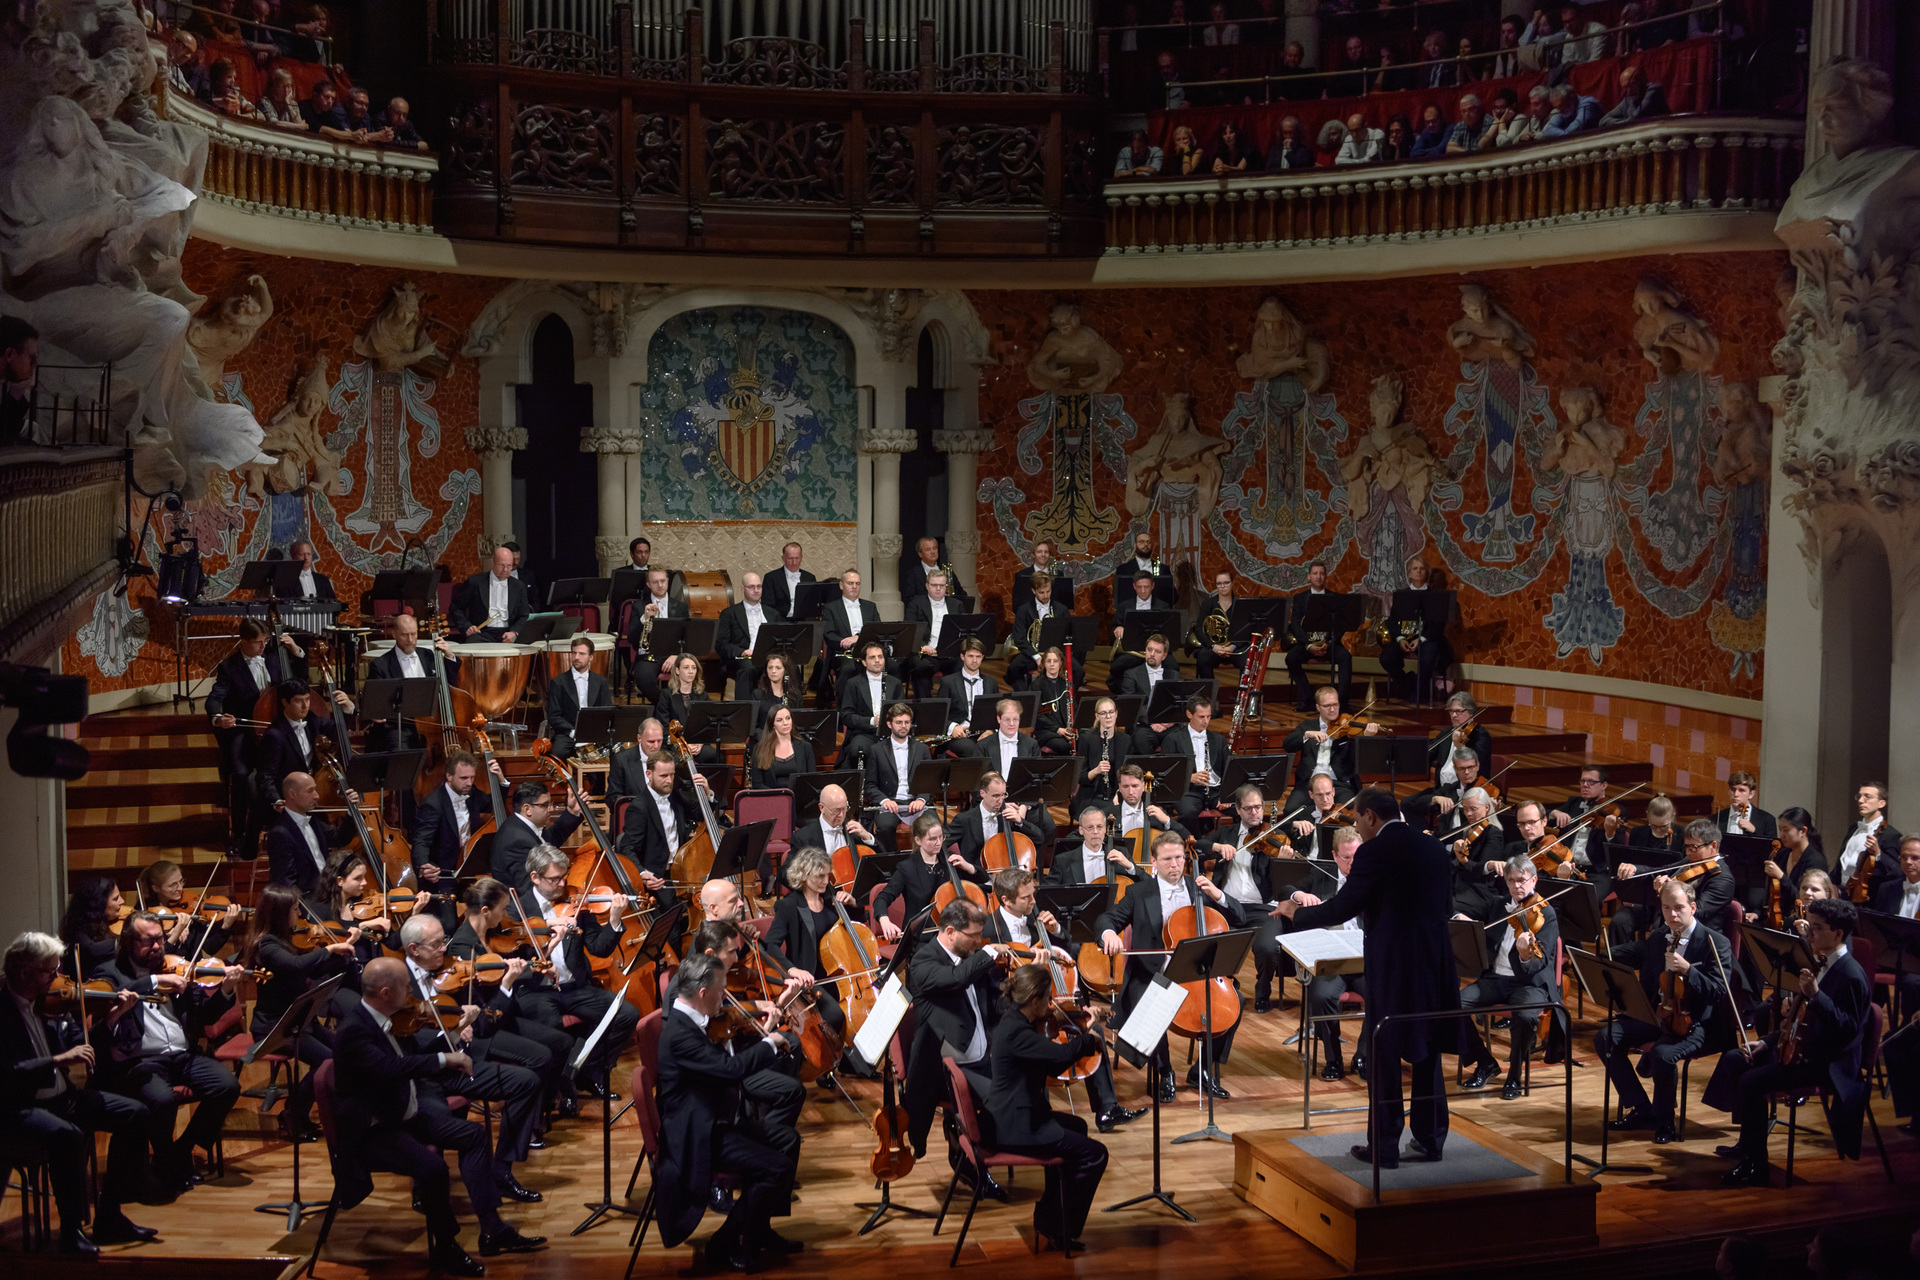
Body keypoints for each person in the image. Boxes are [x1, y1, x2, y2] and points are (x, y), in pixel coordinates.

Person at [1274, 788, 1455, 1165]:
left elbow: (1344, 906)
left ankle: (1385, 1148)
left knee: (1384, 1052)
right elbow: (1446, 907)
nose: (1356, 825)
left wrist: (1296, 912)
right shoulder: (1434, 847)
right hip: (1434, 964)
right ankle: (1432, 1139)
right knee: (1428, 1051)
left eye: (1357, 819)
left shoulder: (1375, 851)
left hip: (1393, 966)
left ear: (1371, 817)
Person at [335, 957, 545, 1272]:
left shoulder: (390, 1016)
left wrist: (453, 1035)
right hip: (373, 1131)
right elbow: (388, 1068)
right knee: (433, 1168)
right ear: (385, 991)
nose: (412, 993)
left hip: (400, 1114)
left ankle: (493, 1230)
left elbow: (407, 1058)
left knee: (473, 1135)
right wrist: (445, 1060)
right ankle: (446, 1247)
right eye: (406, 987)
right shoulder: (355, 1030)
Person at [0, 932, 154, 1253]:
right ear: (25, 971)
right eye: (50, 971)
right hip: (18, 1108)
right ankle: (71, 1234)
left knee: (135, 1113)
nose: (57, 978)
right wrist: (58, 1060)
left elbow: (79, 1046)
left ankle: (109, 1215)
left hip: (60, 1098)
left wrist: (111, 1018)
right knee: (68, 1137)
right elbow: (9, 1073)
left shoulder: (52, 1002)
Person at [1705, 898, 1871, 1187]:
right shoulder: (1821, 963)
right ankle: (1748, 1143)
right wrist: (1768, 1044)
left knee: (1752, 1082)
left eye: (1817, 928)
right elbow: (1798, 1021)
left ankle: (1757, 1166)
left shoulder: (1850, 974)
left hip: (1828, 1062)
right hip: (1803, 1049)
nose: (1810, 934)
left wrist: (1818, 996)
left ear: (1838, 934)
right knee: (1736, 1059)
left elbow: (1849, 1030)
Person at [655, 951, 800, 1270]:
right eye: (722, 990)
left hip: (714, 1115)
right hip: (699, 1133)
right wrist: (769, 1044)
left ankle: (758, 1231)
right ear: (703, 993)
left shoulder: (692, 1018)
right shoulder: (680, 1034)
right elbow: (730, 1070)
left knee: (789, 1140)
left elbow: (722, 1055)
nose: (727, 997)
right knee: (775, 1168)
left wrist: (754, 1027)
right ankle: (724, 1242)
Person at [394, 914, 547, 1205]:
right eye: (436, 944)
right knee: (434, 1118)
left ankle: (502, 1170)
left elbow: (486, 1026)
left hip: (460, 1065)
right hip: (422, 1074)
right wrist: (450, 1030)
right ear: (413, 949)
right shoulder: (398, 981)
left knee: (527, 1081)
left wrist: (504, 987)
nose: (445, 950)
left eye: (445, 941)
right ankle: (425, 1183)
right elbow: (407, 1041)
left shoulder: (455, 973)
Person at [93, 912, 243, 1194]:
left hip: (182, 1056)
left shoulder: (175, 967)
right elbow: (113, 998)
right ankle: (164, 1162)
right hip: (141, 1062)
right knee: (162, 1100)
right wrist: (152, 982)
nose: (157, 946)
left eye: (160, 939)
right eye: (147, 941)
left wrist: (226, 989)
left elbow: (206, 1015)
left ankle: (179, 1151)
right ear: (128, 943)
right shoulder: (110, 973)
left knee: (227, 1086)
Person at [1096, 832, 1245, 1099]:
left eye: (1179, 858)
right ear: (1153, 861)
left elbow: (1240, 915)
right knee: (1150, 1001)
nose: (1174, 864)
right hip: (1156, 972)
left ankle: (1202, 1069)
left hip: (1198, 972)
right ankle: (1165, 1071)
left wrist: (1219, 895)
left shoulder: (1199, 887)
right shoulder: (1139, 893)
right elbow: (1108, 919)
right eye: (1167, 859)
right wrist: (1108, 933)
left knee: (1237, 1001)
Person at [1594, 878, 1736, 1144]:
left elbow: (1718, 992)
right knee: (1606, 1037)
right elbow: (1646, 970)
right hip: (1660, 1014)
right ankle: (1641, 1108)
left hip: (1698, 1023)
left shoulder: (1715, 943)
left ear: (1693, 908)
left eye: (1679, 908)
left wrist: (1689, 971)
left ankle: (1664, 1121)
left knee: (1663, 1054)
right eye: (1666, 907)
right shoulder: (1660, 936)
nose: (1672, 914)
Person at [987, 962, 1111, 1251]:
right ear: (1035, 1001)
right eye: (1048, 998)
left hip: (1013, 1113)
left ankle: (1050, 1216)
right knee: (1095, 1155)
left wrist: (1075, 1030)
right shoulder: (1018, 1033)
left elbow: (1049, 1060)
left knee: (1078, 1127)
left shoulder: (1014, 1020)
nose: (1052, 1002)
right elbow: (1057, 1058)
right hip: (1017, 1127)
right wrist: (1088, 1038)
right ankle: (1059, 1226)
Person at [443, 878, 583, 1119]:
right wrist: (511, 979)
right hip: (483, 1027)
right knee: (541, 1055)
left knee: (562, 1042)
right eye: (503, 908)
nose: (507, 914)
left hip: (504, 1014)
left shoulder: (493, 934)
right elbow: (490, 991)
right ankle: (526, 1121)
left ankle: (544, 1103)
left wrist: (545, 955)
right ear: (486, 911)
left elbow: (522, 967)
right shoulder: (463, 948)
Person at [510, 846, 641, 1099]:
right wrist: (549, 934)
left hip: (575, 988)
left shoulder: (577, 903)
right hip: (536, 991)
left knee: (627, 1014)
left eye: (564, 877)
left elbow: (599, 948)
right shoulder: (517, 910)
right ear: (535, 877)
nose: (562, 884)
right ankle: (563, 1086)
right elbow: (520, 962)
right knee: (553, 1030)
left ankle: (588, 1072)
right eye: (554, 879)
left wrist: (614, 919)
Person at [903, 899, 1008, 1192]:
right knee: (998, 1098)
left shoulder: (970, 956)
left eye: (980, 936)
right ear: (950, 931)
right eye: (973, 935)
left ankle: (1002, 1148)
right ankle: (974, 1163)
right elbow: (956, 978)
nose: (979, 940)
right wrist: (987, 952)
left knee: (1023, 1081)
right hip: (949, 1068)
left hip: (981, 1057)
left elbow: (993, 1001)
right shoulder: (925, 960)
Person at [243, 884, 361, 1140]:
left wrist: (344, 952)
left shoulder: (286, 938)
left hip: (301, 1021)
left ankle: (308, 1113)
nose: (301, 914)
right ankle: (293, 1114)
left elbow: (311, 970)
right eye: (296, 909)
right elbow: (296, 966)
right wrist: (328, 949)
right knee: (326, 1061)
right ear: (279, 912)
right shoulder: (266, 946)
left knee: (341, 1052)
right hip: (276, 1027)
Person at [1454, 858, 1563, 1099]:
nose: (1517, 886)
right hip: (1495, 979)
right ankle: (1485, 1062)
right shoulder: (1498, 905)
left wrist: (1526, 955)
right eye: (1511, 881)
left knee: (1524, 1016)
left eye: (1522, 880)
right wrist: (1461, 918)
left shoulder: (1546, 913)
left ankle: (1514, 1076)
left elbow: (1540, 963)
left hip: (1529, 983)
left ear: (1534, 880)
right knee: (1455, 1006)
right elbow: (1459, 909)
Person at [207, 616, 306, 854]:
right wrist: (218, 717)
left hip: (276, 730)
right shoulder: (230, 667)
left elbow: (298, 683)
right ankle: (239, 834)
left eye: (266, 640)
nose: (263, 646)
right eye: (258, 642)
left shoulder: (274, 657)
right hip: (246, 732)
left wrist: (297, 652)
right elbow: (215, 697)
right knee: (241, 775)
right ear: (243, 642)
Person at [1199, 786, 1288, 1012]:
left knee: (1268, 948)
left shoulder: (1273, 836)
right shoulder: (1227, 834)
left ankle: (1262, 991)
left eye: (1258, 807)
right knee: (1215, 945)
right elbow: (1197, 846)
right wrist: (1217, 847)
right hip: (1227, 906)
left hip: (1263, 909)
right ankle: (1227, 988)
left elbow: (1284, 881)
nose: (1255, 813)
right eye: (1248, 808)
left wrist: (1284, 862)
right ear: (1238, 810)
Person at [762, 850, 851, 1039]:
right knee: (835, 1014)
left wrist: (852, 904)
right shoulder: (789, 906)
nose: (826, 881)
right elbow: (771, 944)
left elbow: (851, 929)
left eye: (828, 875)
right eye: (819, 876)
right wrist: (793, 970)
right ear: (803, 874)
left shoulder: (830, 898)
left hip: (838, 973)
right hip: (812, 979)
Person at [1612, 819, 1734, 946]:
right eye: (1686, 847)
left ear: (1713, 846)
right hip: (1666, 923)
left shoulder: (1722, 879)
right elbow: (1660, 871)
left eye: (1694, 847)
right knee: (1619, 930)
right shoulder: (1691, 860)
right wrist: (1634, 869)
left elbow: (1697, 912)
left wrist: (1670, 890)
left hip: (1692, 941)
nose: (1688, 852)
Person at [873, 812, 982, 942]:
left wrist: (969, 867)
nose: (938, 843)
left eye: (941, 837)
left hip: (952, 933)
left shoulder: (949, 860)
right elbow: (882, 898)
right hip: (920, 937)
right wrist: (884, 919)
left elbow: (982, 879)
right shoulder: (907, 868)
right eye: (932, 839)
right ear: (918, 840)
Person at [612, 754, 698, 909]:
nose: (669, 781)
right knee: (672, 925)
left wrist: (706, 792)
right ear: (649, 774)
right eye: (663, 776)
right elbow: (627, 847)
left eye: (672, 775)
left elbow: (699, 813)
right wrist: (642, 874)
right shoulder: (639, 807)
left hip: (682, 871)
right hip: (658, 878)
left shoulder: (674, 796)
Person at [254, 676, 354, 808]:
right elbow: (266, 775)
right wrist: (277, 800)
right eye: (298, 701)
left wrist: (347, 708)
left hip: (314, 793)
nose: (305, 706)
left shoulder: (311, 719)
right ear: (285, 702)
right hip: (291, 798)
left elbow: (337, 729)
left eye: (307, 699)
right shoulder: (275, 735)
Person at [363, 613, 458, 751]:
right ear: (394, 634)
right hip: (401, 726)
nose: (410, 639)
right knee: (400, 750)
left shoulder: (429, 656)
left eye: (414, 634)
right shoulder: (380, 665)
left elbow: (449, 684)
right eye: (404, 635)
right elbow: (375, 702)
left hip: (433, 723)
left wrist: (449, 655)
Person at [265, 769, 359, 897]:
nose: (317, 796)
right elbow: (286, 883)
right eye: (310, 791)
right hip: (311, 901)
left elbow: (339, 838)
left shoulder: (313, 820)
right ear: (293, 794)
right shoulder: (280, 833)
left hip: (330, 892)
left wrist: (351, 810)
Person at [411, 750, 495, 889]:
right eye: (463, 778)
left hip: (469, 872)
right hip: (444, 876)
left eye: (472, 777)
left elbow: (492, 803)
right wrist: (423, 867)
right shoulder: (433, 804)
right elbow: (421, 840)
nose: (469, 783)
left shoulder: (471, 792)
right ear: (449, 776)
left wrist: (501, 780)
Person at [1283, 684, 1375, 810]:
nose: (1332, 710)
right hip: (1309, 784)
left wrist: (1366, 738)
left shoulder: (1348, 729)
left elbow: (1359, 759)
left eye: (1335, 705)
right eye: (1327, 706)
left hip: (1339, 785)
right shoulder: (1307, 726)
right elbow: (1287, 744)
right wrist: (1307, 734)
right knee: (1290, 809)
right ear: (1318, 707)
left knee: (1349, 809)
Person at [948, 773, 1048, 874]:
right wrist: (960, 863)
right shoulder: (964, 819)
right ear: (982, 793)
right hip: (978, 879)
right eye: (995, 796)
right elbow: (940, 844)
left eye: (1003, 795)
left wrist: (1020, 822)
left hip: (1008, 876)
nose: (1000, 801)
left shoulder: (1008, 816)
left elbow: (1039, 839)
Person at [1283, 563, 1352, 709]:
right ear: (1309, 577)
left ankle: (1342, 703)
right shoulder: (1300, 598)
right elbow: (1295, 624)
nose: (1318, 576)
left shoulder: (1335, 597)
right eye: (1315, 573)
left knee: (1346, 657)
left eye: (1321, 573)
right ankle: (1307, 699)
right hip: (1307, 644)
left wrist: (1330, 642)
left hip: (1329, 644)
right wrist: (1309, 645)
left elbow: (1341, 624)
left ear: (1326, 576)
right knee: (1291, 658)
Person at [863, 703, 930, 845]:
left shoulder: (922, 749)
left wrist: (921, 800)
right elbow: (870, 785)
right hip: (890, 801)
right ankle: (890, 862)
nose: (903, 726)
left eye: (907, 722)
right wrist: (884, 801)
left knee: (932, 825)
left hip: (915, 801)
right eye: (899, 722)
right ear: (889, 724)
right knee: (885, 826)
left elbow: (929, 782)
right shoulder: (876, 750)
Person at [1163, 693, 1229, 830]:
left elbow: (1228, 770)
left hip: (1216, 790)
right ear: (1189, 714)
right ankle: (1197, 846)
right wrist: (1189, 777)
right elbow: (1166, 773)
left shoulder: (1219, 739)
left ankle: (1230, 844)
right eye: (1201, 717)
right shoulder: (1173, 739)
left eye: (1209, 716)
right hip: (1188, 791)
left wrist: (1227, 796)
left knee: (1245, 806)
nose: (1206, 721)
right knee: (1188, 813)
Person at [544, 636, 611, 761]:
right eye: (574, 653)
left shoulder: (601, 682)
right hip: (567, 734)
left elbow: (607, 711)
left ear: (591, 657)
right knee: (558, 753)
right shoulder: (558, 682)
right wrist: (572, 732)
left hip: (594, 733)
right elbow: (554, 715)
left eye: (581, 654)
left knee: (612, 754)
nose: (576, 657)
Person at [1834, 782, 1901, 902]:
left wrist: (1878, 854)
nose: (1860, 800)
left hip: (1868, 899)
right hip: (1842, 896)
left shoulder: (1891, 835)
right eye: (1859, 796)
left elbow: (1896, 872)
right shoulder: (1853, 829)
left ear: (1882, 803)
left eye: (1867, 797)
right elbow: (1841, 865)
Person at [837, 640, 902, 764]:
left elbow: (902, 710)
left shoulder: (895, 683)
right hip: (863, 733)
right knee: (858, 749)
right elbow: (847, 716)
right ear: (864, 662)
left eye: (880, 657)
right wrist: (872, 721)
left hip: (890, 732)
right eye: (872, 657)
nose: (877, 660)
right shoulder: (853, 684)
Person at [788, 784, 877, 873]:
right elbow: (787, 873)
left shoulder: (854, 831)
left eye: (844, 809)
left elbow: (880, 862)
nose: (841, 815)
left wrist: (867, 837)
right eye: (836, 810)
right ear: (821, 807)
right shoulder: (803, 837)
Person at [451, 546, 530, 642]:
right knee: (472, 641)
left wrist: (514, 632)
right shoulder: (475, 582)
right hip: (482, 633)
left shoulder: (519, 586)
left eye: (509, 566)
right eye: (501, 565)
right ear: (493, 562)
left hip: (508, 632)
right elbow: (455, 607)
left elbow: (523, 614)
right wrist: (467, 626)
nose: (505, 570)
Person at [820, 570, 883, 691]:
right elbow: (829, 634)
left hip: (869, 651)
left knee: (893, 666)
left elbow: (877, 630)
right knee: (848, 668)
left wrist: (858, 638)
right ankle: (845, 708)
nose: (854, 587)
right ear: (841, 585)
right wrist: (845, 642)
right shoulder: (830, 608)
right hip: (844, 653)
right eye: (850, 583)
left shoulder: (871, 606)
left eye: (857, 584)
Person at [903, 570, 961, 699]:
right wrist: (922, 646)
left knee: (964, 665)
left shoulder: (956, 605)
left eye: (942, 585)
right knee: (920, 667)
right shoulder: (915, 604)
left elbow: (962, 632)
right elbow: (910, 630)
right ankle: (925, 705)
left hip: (950, 653)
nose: (938, 589)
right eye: (934, 585)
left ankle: (953, 706)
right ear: (927, 586)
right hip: (926, 653)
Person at [1054, 806, 1145, 887]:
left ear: (1105, 828)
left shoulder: (1121, 854)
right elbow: (1047, 893)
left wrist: (1130, 866)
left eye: (1099, 827)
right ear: (1081, 830)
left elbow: (1147, 884)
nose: (1095, 832)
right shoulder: (1063, 861)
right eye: (1090, 827)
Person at [1118, 633, 1180, 752]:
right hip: (1143, 725)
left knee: (1177, 739)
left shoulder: (1173, 675)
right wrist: (1154, 720)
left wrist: (1167, 722)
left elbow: (1177, 703)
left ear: (1164, 655)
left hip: (1168, 725)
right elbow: (1131, 705)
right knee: (1142, 740)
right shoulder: (1131, 674)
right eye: (1149, 650)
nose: (1152, 654)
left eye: (1157, 651)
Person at [714, 571, 770, 698]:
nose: (756, 590)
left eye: (759, 586)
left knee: (790, 667)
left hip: (767, 657)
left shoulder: (772, 614)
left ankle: (784, 711)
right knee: (748, 668)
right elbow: (721, 644)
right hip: (741, 658)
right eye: (751, 587)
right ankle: (745, 711)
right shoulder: (729, 613)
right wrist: (742, 651)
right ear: (742, 589)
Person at [59, 878, 127, 979]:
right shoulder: (77, 927)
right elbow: (91, 950)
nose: (122, 901)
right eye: (115, 899)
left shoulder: (104, 923)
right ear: (99, 903)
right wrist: (126, 939)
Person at [1008, 576, 1068, 690]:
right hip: (1032, 653)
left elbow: (1066, 635)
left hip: (1056, 653)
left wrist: (1056, 656)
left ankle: (1063, 696)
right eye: (1041, 592)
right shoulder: (1023, 610)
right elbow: (1019, 638)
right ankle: (1025, 698)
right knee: (1013, 669)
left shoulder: (1061, 609)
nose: (1046, 596)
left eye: (1048, 591)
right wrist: (1036, 657)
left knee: (1078, 671)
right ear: (1033, 591)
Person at [1072, 697, 1127, 814]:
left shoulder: (1125, 740)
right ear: (1097, 716)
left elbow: (1128, 773)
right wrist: (1096, 770)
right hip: (1091, 796)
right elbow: (1080, 778)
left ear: (1116, 714)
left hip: (1116, 794)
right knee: (1113, 811)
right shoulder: (1086, 739)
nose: (1108, 716)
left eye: (1111, 712)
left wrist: (1120, 792)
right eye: (1103, 713)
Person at [748, 705, 816, 790]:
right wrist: (778, 796)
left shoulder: (805, 747)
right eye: (779, 720)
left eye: (788, 718)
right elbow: (757, 784)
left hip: (799, 798)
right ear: (772, 724)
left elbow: (812, 780)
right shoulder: (760, 749)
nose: (785, 723)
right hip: (772, 799)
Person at [1110, 531, 1176, 608]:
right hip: (1131, 615)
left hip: (1158, 615)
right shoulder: (1123, 570)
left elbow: (1172, 596)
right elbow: (1118, 596)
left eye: (1148, 542)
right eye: (1141, 542)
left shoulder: (1163, 569)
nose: (1145, 545)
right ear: (1135, 546)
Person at [1012, 541, 1075, 616]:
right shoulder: (1021, 575)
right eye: (1039, 552)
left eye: (1046, 552)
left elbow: (1064, 604)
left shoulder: (1059, 575)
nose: (1043, 555)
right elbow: (1016, 605)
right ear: (1033, 554)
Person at [1031, 650, 1076, 754]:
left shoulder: (1067, 684)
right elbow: (1037, 714)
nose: (1052, 664)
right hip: (1047, 731)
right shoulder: (1037, 685)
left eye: (1055, 661)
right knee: (1063, 746)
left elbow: (1075, 709)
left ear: (1060, 663)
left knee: (1084, 741)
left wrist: (1073, 729)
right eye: (1048, 661)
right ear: (1044, 664)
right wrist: (1057, 729)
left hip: (1065, 729)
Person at [761, 541, 815, 622]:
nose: (794, 562)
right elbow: (768, 606)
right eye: (790, 558)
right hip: (780, 622)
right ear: (783, 558)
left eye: (797, 558)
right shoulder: (771, 578)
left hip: (804, 622)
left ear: (801, 557)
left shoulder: (810, 578)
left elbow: (812, 605)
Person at [1599, 65, 1669, 127]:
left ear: (1640, 81)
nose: (1628, 90)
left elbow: (1637, 119)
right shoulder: (1628, 99)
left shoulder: (1654, 90)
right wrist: (1625, 122)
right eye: (1625, 87)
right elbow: (1603, 121)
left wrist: (1621, 122)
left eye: (1631, 85)